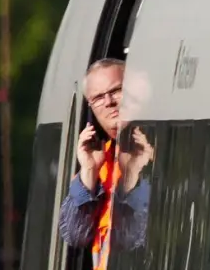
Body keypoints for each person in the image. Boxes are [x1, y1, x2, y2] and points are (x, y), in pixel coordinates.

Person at [57, 58, 154, 269]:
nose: (109, 102)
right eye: (98, 98)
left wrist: (131, 179)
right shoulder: (100, 158)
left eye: (117, 90)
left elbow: (133, 240)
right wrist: (89, 171)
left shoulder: (155, 152)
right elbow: (74, 235)